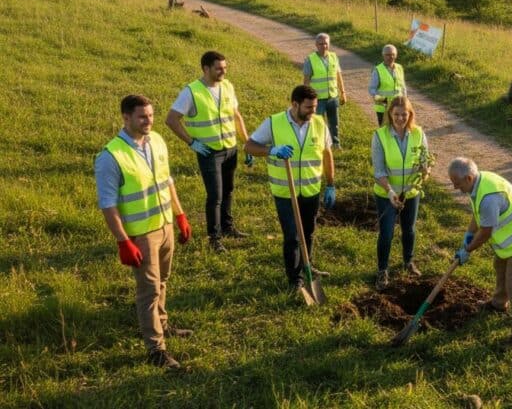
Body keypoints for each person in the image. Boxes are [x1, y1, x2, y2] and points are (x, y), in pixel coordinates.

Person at [94, 95, 193, 370]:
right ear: (125, 118)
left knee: (163, 281)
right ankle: (156, 349)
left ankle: (162, 325)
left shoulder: (158, 140)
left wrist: (180, 214)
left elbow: (167, 181)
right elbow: (108, 204)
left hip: (165, 226)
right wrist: (123, 240)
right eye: (142, 116)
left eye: (150, 115)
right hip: (142, 235)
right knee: (148, 290)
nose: (148, 120)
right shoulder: (110, 157)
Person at [244, 85, 336, 292]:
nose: (314, 111)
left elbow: (327, 154)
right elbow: (249, 146)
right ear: (294, 104)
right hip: (286, 192)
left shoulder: (319, 123)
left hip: (311, 190)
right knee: (293, 236)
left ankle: (308, 265)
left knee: (309, 232)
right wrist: (272, 150)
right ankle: (295, 279)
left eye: (315, 107)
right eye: (309, 107)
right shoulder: (274, 123)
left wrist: (330, 184)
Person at [450, 157, 512, 348]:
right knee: (499, 266)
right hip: (509, 238)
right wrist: (468, 234)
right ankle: (498, 303)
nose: (454, 187)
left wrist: (467, 250)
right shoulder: (478, 182)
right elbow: (477, 215)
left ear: (468, 178)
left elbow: (485, 232)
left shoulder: (489, 198)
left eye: (456, 183)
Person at [165, 50, 251, 254]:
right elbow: (171, 119)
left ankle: (228, 227)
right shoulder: (191, 92)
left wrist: (247, 142)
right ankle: (214, 237)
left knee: (228, 190)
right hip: (209, 152)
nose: (223, 71)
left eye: (225, 67)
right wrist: (191, 142)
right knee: (215, 195)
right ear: (206, 69)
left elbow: (236, 115)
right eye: (219, 68)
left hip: (230, 148)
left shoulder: (228, 86)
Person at [371, 96, 429, 290]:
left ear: (410, 114)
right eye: (396, 114)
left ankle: (408, 261)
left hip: (411, 193)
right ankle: (382, 270)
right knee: (386, 232)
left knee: (409, 229)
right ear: (390, 114)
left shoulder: (418, 134)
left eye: (404, 114)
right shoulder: (380, 136)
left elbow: (424, 163)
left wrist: (424, 173)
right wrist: (390, 192)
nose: (400, 118)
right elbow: (379, 171)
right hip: (387, 194)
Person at [302, 33, 347, 148]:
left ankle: (336, 144)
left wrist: (343, 92)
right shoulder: (310, 59)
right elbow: (306, 80)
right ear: (316, 45)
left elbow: (338, 75)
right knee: (317, 123)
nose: (324, 46)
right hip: (318, 99)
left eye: (326, 43)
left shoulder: (333, 57)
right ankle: (319, 144)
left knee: (334, 123)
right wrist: (306, 98)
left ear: (329, 44)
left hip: (333, 97)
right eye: (321, 44)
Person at [369, 44, 406, 126]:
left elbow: (403, 87)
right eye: (388, 55)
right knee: (384, 131)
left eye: (393, 54)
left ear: (396, 55)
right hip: (383, 107)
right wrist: (381, 99)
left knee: (398, 128)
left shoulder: (399, 67)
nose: (391, 57)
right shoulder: (378, 70)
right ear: (383, 55)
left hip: (398, 106)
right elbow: (372, 89)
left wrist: (405, 101)